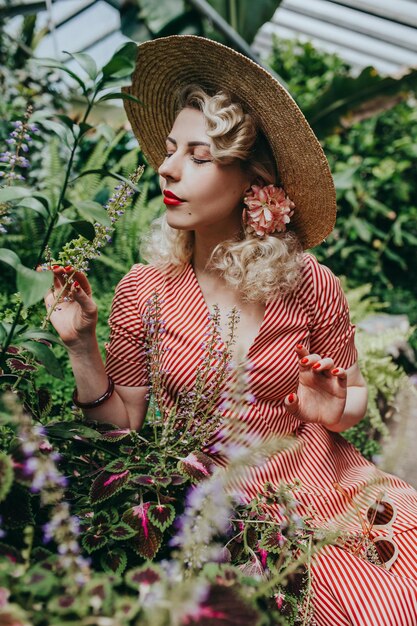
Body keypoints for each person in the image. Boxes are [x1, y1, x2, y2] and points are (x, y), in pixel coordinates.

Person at [46, 36, 417, 625]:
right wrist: (81, 346)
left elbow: (355, 398)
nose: (167, 168)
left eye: (198, 156)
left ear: (253, 179)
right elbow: (122, 429)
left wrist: (334, 409)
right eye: (170, 151)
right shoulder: (146, 289)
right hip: (225, 515)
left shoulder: (310, 282)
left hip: (329, 486)